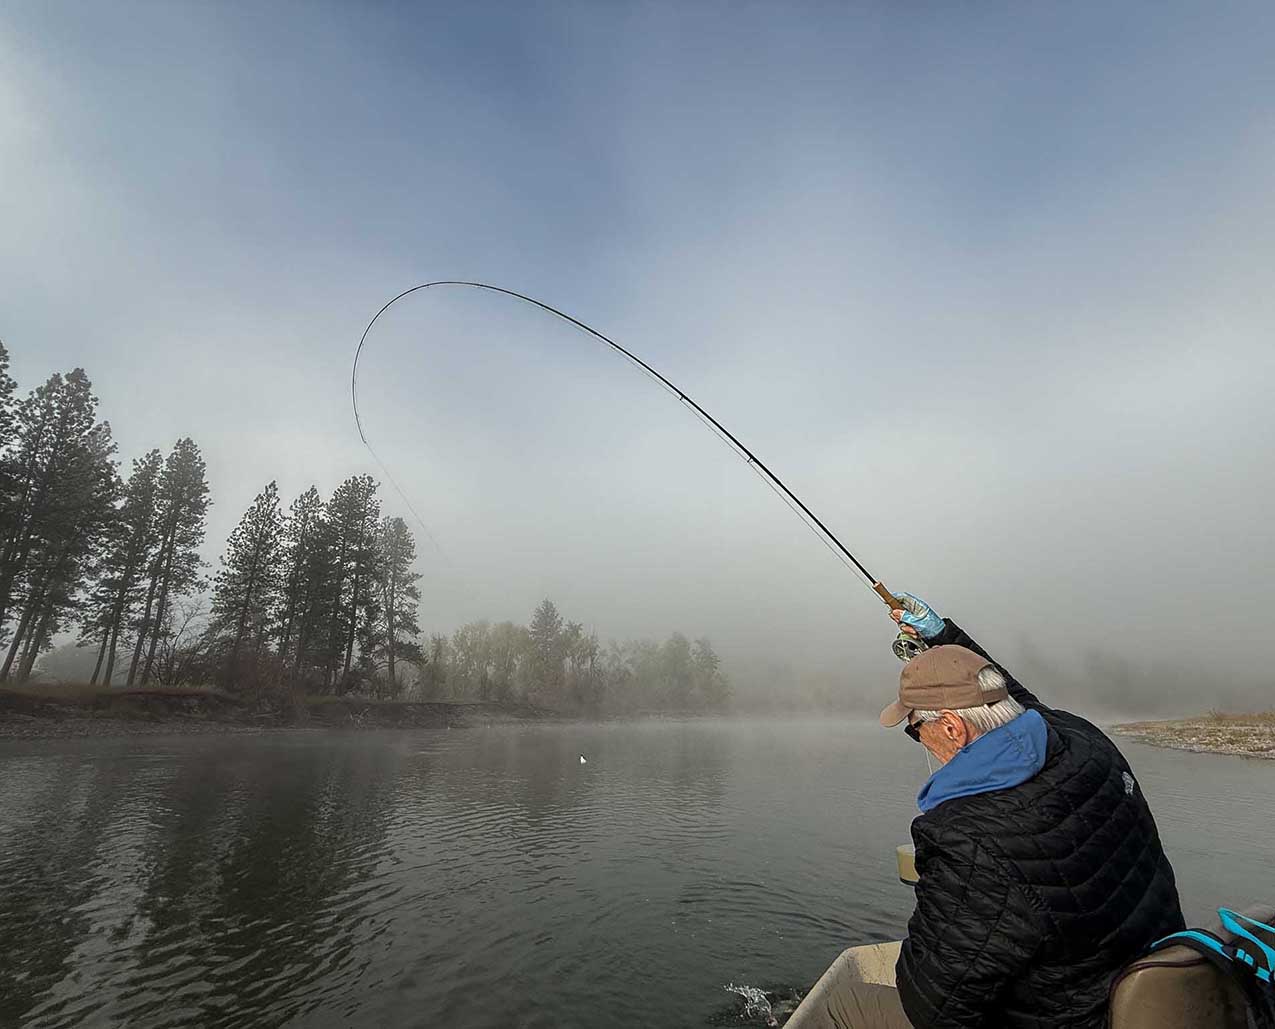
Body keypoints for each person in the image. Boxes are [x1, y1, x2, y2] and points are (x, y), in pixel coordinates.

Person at [870, 592, 1185, 1029]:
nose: (918, 738)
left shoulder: (968, 840)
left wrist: (938, 892)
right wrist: (941, 635)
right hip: (1162, 993)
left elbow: (932, 1006)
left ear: (950, 727)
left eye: (915, 728)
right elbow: (1011, 698)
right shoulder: (1082, 739)